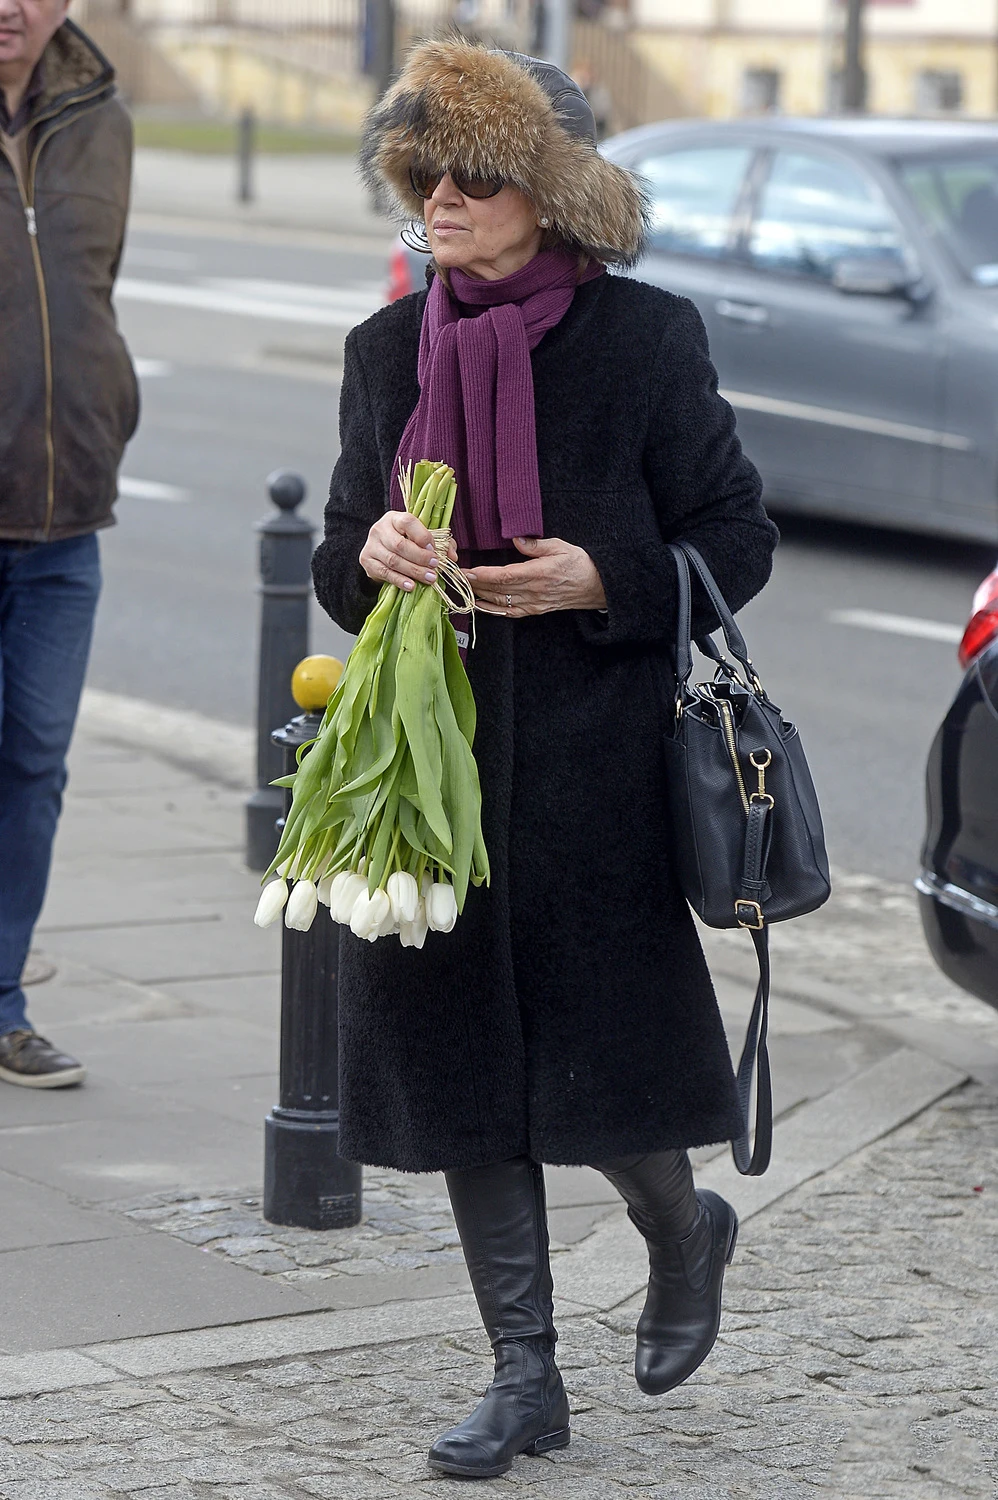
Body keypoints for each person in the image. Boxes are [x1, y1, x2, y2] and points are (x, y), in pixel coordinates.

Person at [312, 40, 779, 1481]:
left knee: (606, 1077)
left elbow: (735, 535)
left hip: (595, 775)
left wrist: (603, 576)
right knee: (465, 1081)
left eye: (472, 175)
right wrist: (371, 553)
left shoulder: (645, 341)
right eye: (423, 175)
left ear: (550, 191)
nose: (440, 201)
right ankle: (524, 1376)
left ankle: (680, 1228)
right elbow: (335, 562)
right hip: (425, 776)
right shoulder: (385, 352)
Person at [0, 0, 137, 1087]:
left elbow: (89, 298)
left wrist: (105, 407)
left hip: (66, 514)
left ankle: (2, 1001)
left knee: (35, 763)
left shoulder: (103, 121)